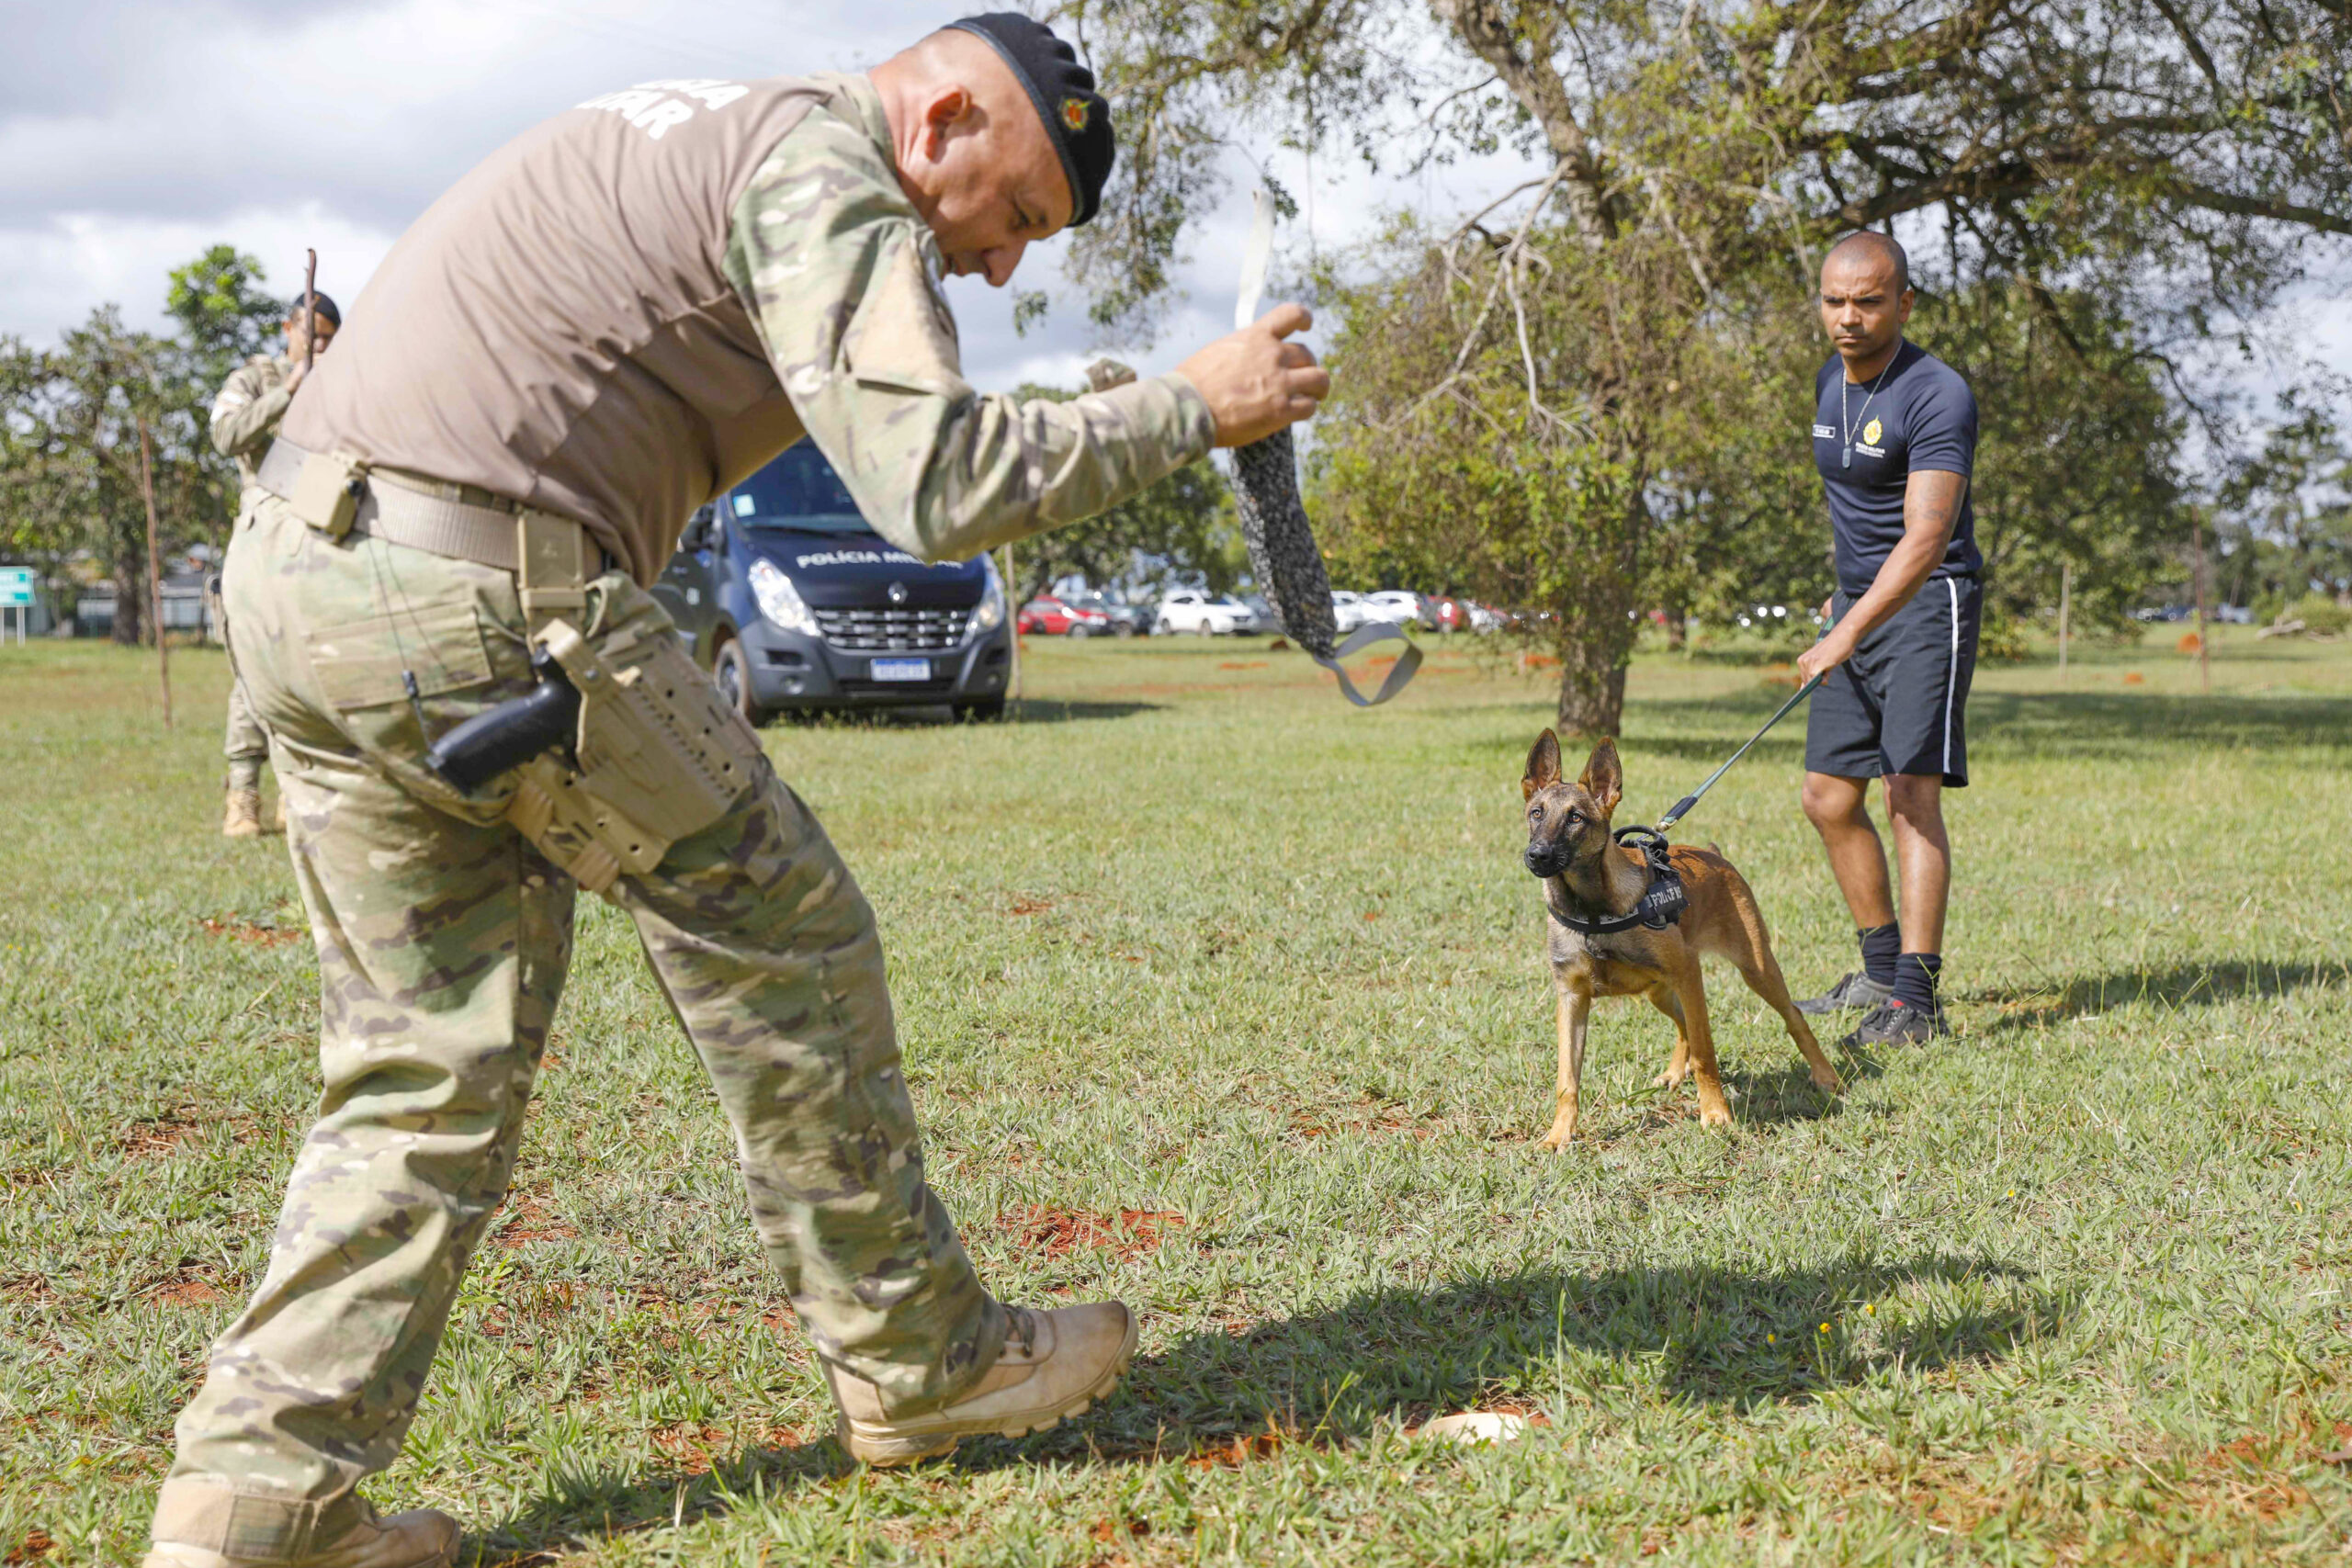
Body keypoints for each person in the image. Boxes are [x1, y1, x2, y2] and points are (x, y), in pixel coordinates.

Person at [148, 17, 1328, 1568]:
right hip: (475, 587)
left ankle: (254, 1507)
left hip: (301, 572)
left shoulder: (711, 123)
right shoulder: (822, 165)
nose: (995, 269)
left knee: (416, 1070)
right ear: (947, 114)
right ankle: (922, 1359)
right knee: (791, 933)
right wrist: (1196, 406)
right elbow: (936, 486)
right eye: (1016, 214)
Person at [1792, 231, 1980, 1048]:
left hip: (1925, 607)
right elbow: (1855, 520)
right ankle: (1876, 963)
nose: (1849, 317)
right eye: (1835, 300)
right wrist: (1837, 608)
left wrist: (1851, 627)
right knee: (1828, 796)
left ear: (1904, 302)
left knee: (1910, 795)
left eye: (1869, 300)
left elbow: (1925, 538)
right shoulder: (1832, 381)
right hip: (1856, 609)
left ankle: (1916, 998)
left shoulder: (1937, 393)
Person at [207, 292, 340, 837]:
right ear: (289, 328)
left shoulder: (341, 386)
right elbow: (225, 436)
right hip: (263, 537)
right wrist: (288, 392)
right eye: (315, 335)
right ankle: (243, 796)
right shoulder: (254, 379)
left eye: (333, 338)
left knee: (314, 670)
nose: (323, 347)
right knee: (254, 673)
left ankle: (297, 791)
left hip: (322, 535)